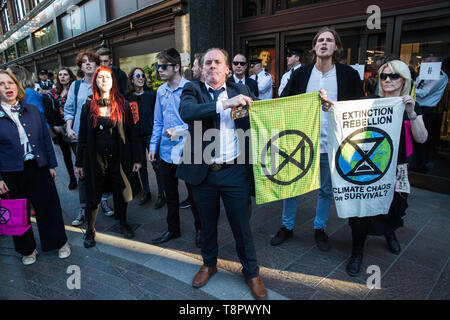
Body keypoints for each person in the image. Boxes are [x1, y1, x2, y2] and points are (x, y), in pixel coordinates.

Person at [177, 48, 267, 300]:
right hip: (203, 173)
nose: (212, 66)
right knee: (206, 224)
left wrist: (316, 102)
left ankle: (251, 272)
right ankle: (209, 263)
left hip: (234, 171)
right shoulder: (192, 90)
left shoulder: (242, 91)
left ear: (227, 69)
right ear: (201, 67)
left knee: (241, 225)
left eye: (217, 62)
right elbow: (188, 113)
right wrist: (226, 103)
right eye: (208, 62)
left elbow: (268, 112)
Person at [272, 27, 364, 250]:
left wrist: (334, 108)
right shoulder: (301, 74)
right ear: (314, 47)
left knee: (326, 190)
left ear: (336, 47)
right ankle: (287, 226)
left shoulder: (348, 74)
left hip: (332, 143)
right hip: (301, 143)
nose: (324, 43)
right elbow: (284, 102)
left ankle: (319, 228)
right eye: (320, 40)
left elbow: (358, 108)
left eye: (329, 40)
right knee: (292, 187)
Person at [344, 60, 428, 276]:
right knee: (362, 211)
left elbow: (422, 138)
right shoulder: (368, 101)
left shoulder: (411, 105)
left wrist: (410, 112)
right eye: (384, 76)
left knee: (395, 206)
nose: (388, 80)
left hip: (397, 166)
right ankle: (357, 252)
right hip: (369, 167)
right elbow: (345, 117)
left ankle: (389, 232)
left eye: (394, 76)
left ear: (404, 80)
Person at [0, 70, 71, 265]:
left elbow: (44, 140)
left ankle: (59, 242)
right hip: (10, 173)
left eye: (10, 83)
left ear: (17, 85)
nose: (7, 87)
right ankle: (27, 250)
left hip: (38, 167)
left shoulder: (31, 109)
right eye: (1, 84)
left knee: (49, 207)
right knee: (16, 212)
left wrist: (50, 165)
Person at [76, 66, 142, 248]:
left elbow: (132, 134)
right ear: (95, 81)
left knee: (121, 190)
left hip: (119, 158)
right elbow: (82, 136)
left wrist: (136, 159)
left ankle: (123, 223)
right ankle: (90, 229)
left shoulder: (123, 105)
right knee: (93, 195)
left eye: (108, 77)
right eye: (100, 77)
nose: (104, 80)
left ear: (113, 81)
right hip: (95, 159)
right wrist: (79, 163)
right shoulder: (87, 107)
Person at [149, 48, 202, 247]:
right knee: (170, 194)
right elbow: (158, 121)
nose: (159, 70)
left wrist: (178, 131)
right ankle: (173, 229)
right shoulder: (161, 91)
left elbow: (196, 121)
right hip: (165, 151)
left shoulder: (191, 88)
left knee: (194, 194)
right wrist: (153, 145)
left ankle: (200, 230)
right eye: (158, 67)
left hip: (187, 148)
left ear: (176, 67)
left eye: (164, 66)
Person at [64, 50, 114, 226]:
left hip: (101, 137)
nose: (87, 64)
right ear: (80, 66)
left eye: (91, 61)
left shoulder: (105, 84)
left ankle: (104, 202)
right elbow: (69, 109)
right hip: (80, 137)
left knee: (104, 171)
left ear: (97, 64)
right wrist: (69, 128)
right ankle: (84, 207)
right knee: (83, 173)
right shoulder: (76, 87)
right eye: (84, 62)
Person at [126, 67, 166, 208]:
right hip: (136, 137)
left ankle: (162, 194)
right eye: (137, 75)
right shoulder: (128, 97)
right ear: (132, 79)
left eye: (142, 75)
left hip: (151, 135)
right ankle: (146, 192)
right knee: (140, 165)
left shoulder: (152, 94)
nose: (141, 77)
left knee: (157, 165)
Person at [413, 54, 448, 173]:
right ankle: (416, 162)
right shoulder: (425, 74)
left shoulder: (440, 76)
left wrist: (408, 88)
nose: (423, 65)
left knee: (422, 139)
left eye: (426, 63)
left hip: (426, 109)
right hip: (417, 106)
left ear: (434, 63)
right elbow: (417, 83)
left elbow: (424, 93)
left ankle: (421, 165)